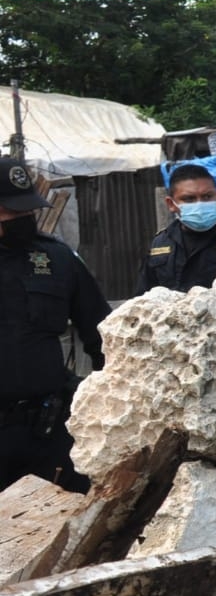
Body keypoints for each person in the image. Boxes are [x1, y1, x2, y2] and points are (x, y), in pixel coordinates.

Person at [0, 157, 109, 494]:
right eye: (12, 213)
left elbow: (104, 335)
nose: (24, 220)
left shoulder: (56, 258)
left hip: (48, 434)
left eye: (27, 211)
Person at [135, 163, 216, 294]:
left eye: (207, 197)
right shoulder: (161, 243)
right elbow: (143, 297)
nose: (200, 204)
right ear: (171, 204)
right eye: (189, 199)